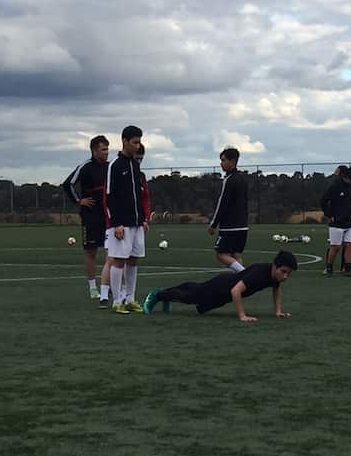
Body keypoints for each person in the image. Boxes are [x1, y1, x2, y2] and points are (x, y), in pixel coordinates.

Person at [143, 251, 297, 322]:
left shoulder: (274, 276)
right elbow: (235, 291)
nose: (285, 276)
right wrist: (242, 316)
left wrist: (278, 311)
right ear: (274, 266)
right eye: (283, 272)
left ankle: (166, 294)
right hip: (221, 287)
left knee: (196, 292)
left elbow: (276, 290)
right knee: (191, 297)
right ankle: (158, 295)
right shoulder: (259, 273)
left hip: (224, 295)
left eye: (288, 274)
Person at [104, 125, 146, 314]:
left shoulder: (135, 165)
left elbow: (138, 194)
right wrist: (117, 223)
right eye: (135, 142)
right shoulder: (115, 165)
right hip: (122, 224)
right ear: (125, 141)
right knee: (119, 260)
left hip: (137, 223)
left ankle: (130, 298)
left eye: (139, 142)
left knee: (133, 260)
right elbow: (110, 196)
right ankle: (117, 301)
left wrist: (143, 218)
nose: (138, 146)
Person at [64, 135, 109, 301]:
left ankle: (107, 285)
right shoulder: (85, 166)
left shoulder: (110, 167)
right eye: (103, 149)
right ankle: (92, 288)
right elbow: (68, 184)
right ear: (94, 150)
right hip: (90, 216)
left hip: (107, 215)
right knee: (91, 251)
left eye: (107, 149)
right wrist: (79, 200)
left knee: (110, 251)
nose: (106, 153)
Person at [209, 147, 249, 272]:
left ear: (232, 161)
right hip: (243, 226)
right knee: (236, 255)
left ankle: (245, 275)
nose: (221, 163)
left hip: (229, 226)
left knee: (221, 254)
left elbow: (222, 203)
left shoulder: (229, 180)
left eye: (223, 160)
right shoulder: (243, 179)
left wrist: (213, 224)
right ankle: (240, 283)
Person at [320, 166, 351, 276]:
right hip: (337, 223)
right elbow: (323, 201)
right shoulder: (335, 187)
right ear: (347, 177)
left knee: (350, 245)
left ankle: (348, 269)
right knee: (336, 247)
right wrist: (329, 214)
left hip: (350, 222)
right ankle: (329, 268)